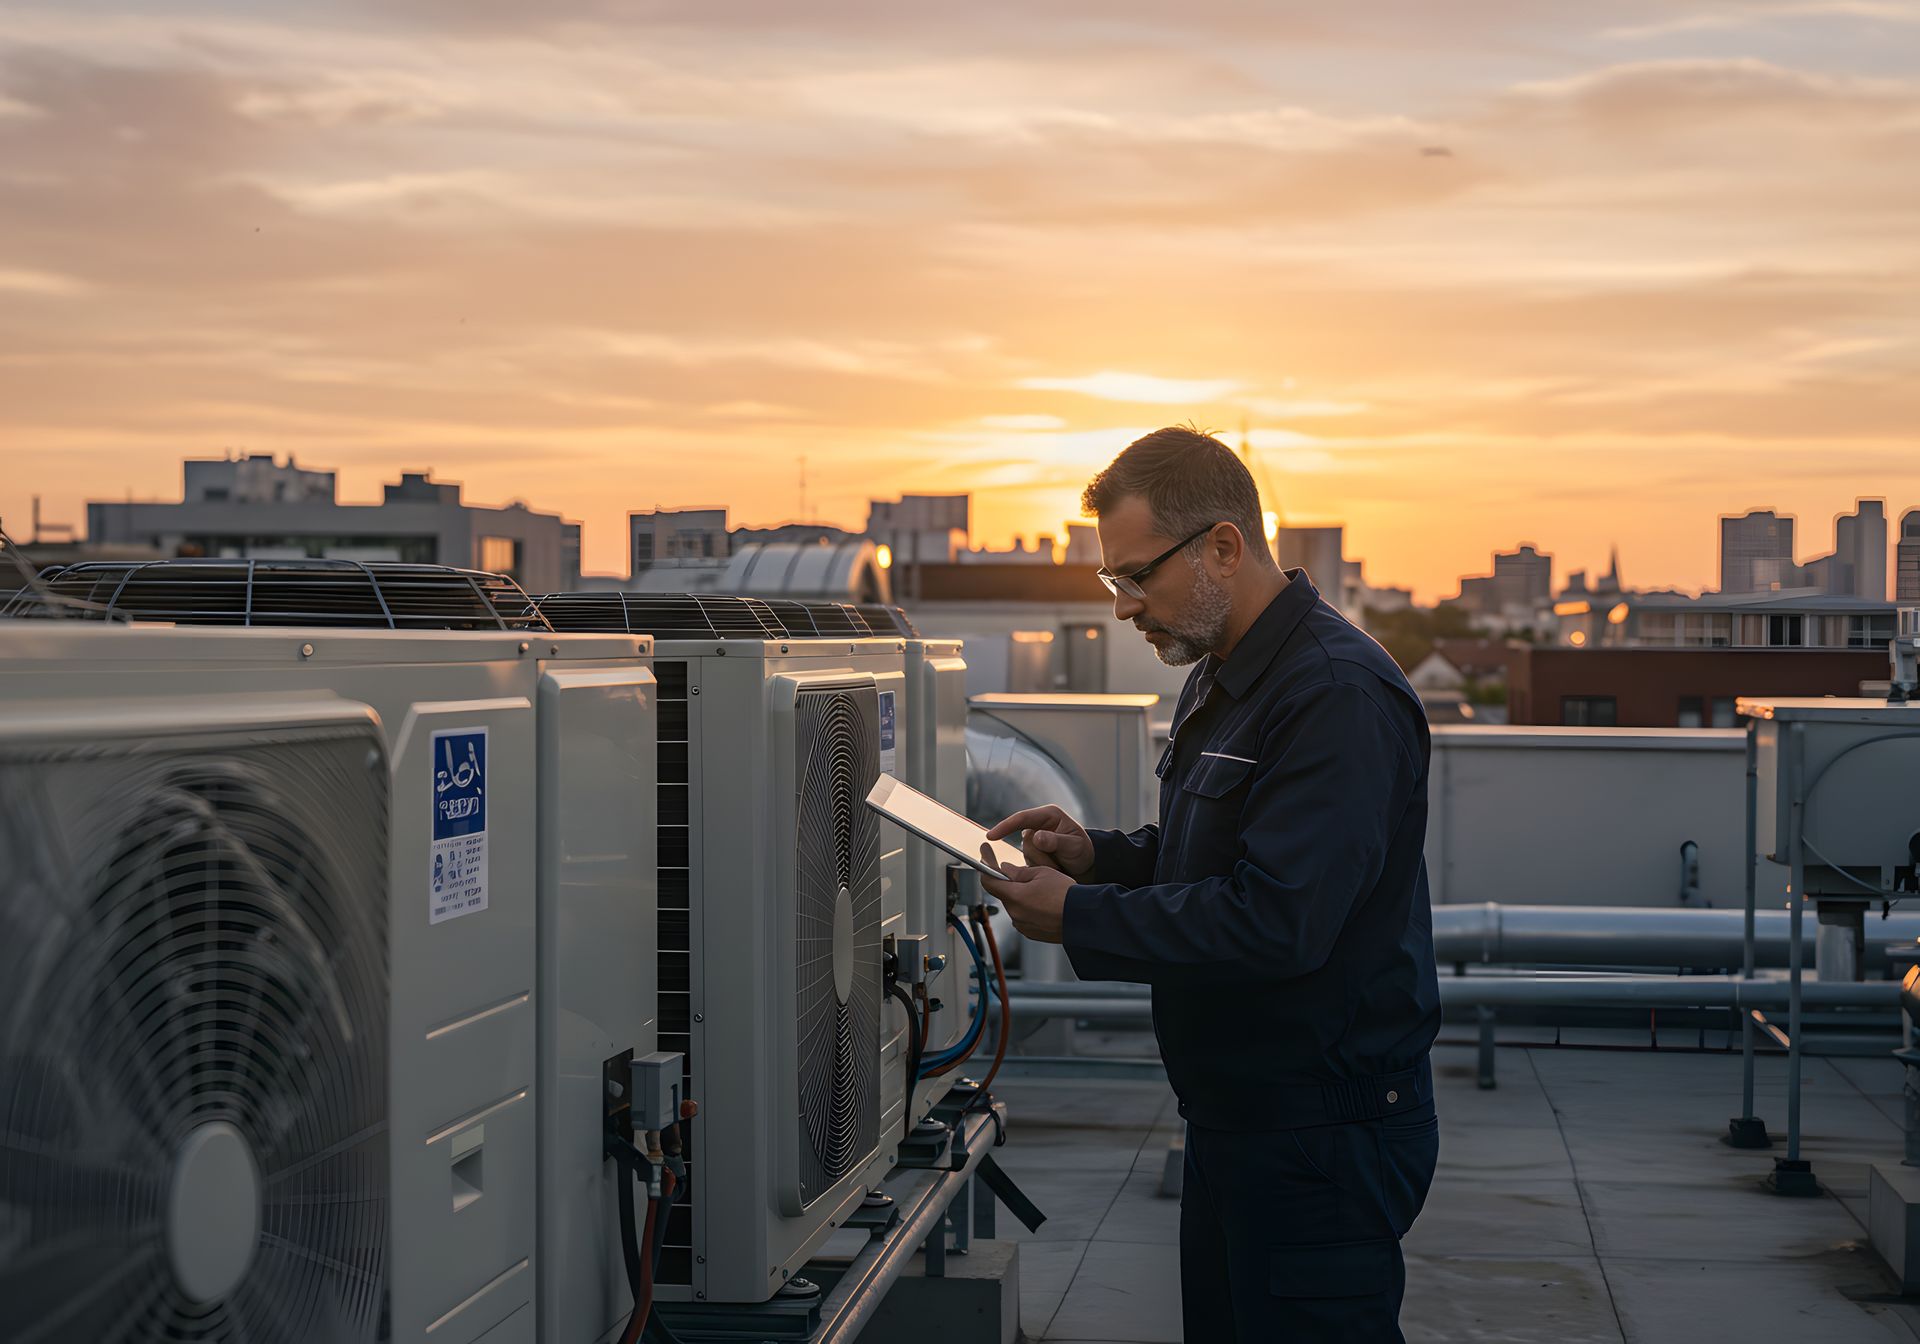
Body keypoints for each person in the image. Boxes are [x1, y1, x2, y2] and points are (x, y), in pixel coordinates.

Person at [979, 426, 1441, 1342]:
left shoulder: (1334, 694)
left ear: (1223, 547)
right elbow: (1214, 857)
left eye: (1137, 575)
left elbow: (1278, 923)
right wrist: (1098, 858)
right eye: (1114, 582)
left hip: (1320, 1137)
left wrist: (1081, 918)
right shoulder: (1223, 672)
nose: (1124, 607)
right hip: (1242, 1120)